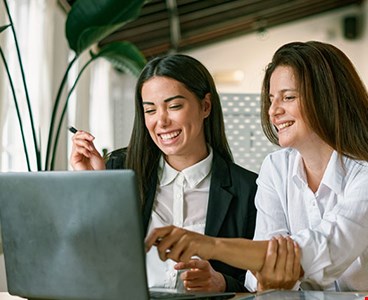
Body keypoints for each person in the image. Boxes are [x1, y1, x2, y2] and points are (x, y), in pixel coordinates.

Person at [145, 41, 368, 292]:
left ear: (328, 97)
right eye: (272, 99)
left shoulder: (363, 174)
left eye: (288, 97)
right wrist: (269, 273)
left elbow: (326, 249)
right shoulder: (276, 167)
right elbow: (257, 277)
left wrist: (209, 246)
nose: (274, 110)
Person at [70, 54, 258, 292]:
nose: (162, 121)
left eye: (174, 106)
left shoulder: (247, 189)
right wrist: (94, 185)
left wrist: (222, 283)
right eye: (150, 110)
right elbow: (90, 258)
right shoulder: (120, 169)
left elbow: (261, 280)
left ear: (205, 106)